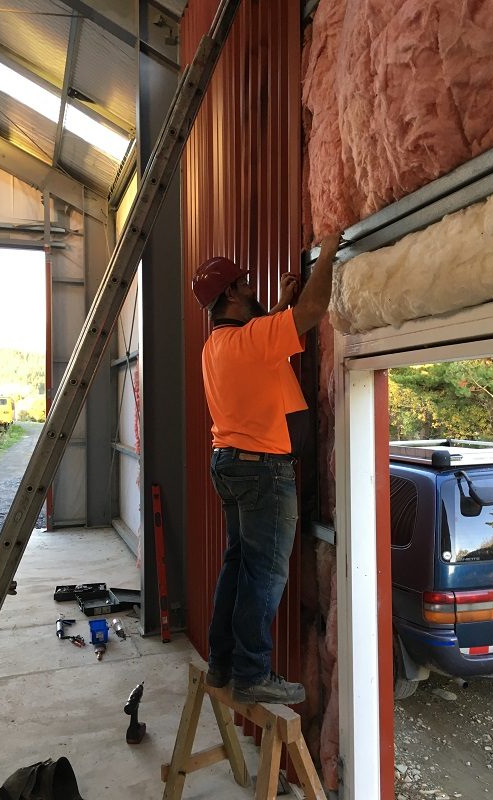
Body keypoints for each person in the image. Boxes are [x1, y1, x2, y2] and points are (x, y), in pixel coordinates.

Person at [192, 233, 341, 704]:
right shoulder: (252, 341)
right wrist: (332, 250)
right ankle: (253, 672)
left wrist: (279, 303)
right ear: (233, 293)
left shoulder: (218, 345)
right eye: (246, 284)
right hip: (262, 473)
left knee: (238, 568)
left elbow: (264, 338)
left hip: (231, 466)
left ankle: (221, 665)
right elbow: (314, 311)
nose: (252, 289)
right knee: (266, 574)